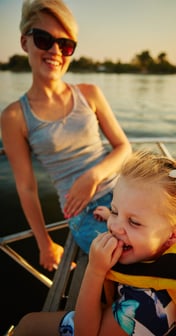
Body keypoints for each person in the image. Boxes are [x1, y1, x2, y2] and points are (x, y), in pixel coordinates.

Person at [11, 150, 176, 335]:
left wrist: (95, 270)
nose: (114, 226)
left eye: (134, 222)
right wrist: (119, 216)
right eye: (115, 210)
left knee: (29, 324)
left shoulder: (148, 304)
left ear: (175, 235)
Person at [0, 0, 131, 271]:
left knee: (171, 239)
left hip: (126, 192)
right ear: (25, 42)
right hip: (83, 213)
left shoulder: (90, 93)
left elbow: (123, 147)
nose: (55, 51)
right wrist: (44, 243)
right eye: (44, 39)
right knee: (126, 259)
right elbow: (26, 187)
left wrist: (92, 176)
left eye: (66, 44)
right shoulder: (14, 116)